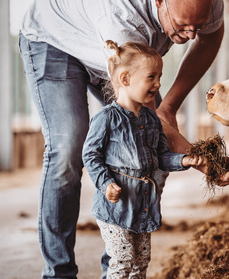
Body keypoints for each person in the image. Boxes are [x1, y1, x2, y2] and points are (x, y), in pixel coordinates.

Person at [18, 0, 229, 279]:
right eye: (181, 26)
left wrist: (170, 106)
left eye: (198, 24)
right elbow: (149, 127)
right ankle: (59, 272)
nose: (191, 35)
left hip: (118, 49)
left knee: (149, 154)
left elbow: (210, 39)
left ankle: (120, 270)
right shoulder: (123, 13)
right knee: (69, 148)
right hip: (56, 40)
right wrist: (205, 162)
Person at [83, 40, 206, 278]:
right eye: (152, 77)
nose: (159, 84)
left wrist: (184, 161)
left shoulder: (151, 119)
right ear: (125, 79)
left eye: (160, 77)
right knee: (122, 260)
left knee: (141, 261)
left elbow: (161, 157)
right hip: (116, 207)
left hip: (142, 206)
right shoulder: (107, 118)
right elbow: (91, 155)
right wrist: (106, 183)